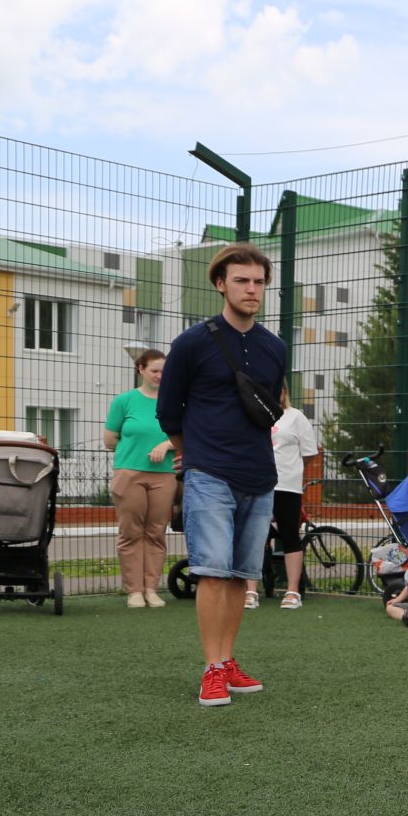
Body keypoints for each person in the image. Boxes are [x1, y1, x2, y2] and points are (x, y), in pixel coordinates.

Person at [156, 242, 288, 708]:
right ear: (220, 284)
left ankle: (228, 660)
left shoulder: (275, 347)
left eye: (258, 282)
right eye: (241, 281)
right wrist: (190, 458)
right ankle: (211, 668)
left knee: (240, 576)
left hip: (259, 474)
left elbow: (270, 408)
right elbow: (169, 412)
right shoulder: (191, 343)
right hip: (209, 472)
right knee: (212, 572)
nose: (252, 289)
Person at [102, 348, 174, 608]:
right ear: (140, 369)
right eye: (154, 370)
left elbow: (185, 435)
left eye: (164, 371)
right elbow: (110, 440)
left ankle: (152, 589)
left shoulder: (176, 401)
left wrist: (166, 445)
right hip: (129, 473)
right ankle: (134, 590)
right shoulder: (124, 401)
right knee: (131, 531)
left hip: (164, 474)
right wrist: (133, 453)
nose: (160, 376)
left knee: (156, 531)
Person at [250, 387, 319, 612]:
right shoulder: (252, 413)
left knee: (289, 535)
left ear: (284, 391)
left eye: (276, 388)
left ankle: (292, 591)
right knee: (254, 536)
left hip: (286, 486)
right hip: (257, 483)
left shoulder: (296, 417)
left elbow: (308, 454)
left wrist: (289, 471)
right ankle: (250, 591)